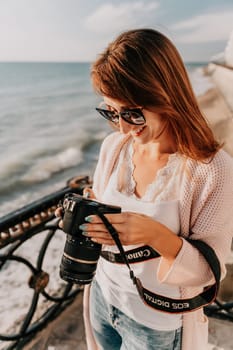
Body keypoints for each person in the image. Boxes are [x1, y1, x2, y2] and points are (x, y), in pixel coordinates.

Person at [58, 28, 233, 350]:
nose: (123, 127)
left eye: (132, 113)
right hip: (102, 296)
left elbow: (210, 271)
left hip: (157, 322)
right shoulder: (114, 147)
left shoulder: (213, 169)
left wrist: (155, 236)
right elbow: (101, 202)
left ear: (166, 97)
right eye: (111, 112)